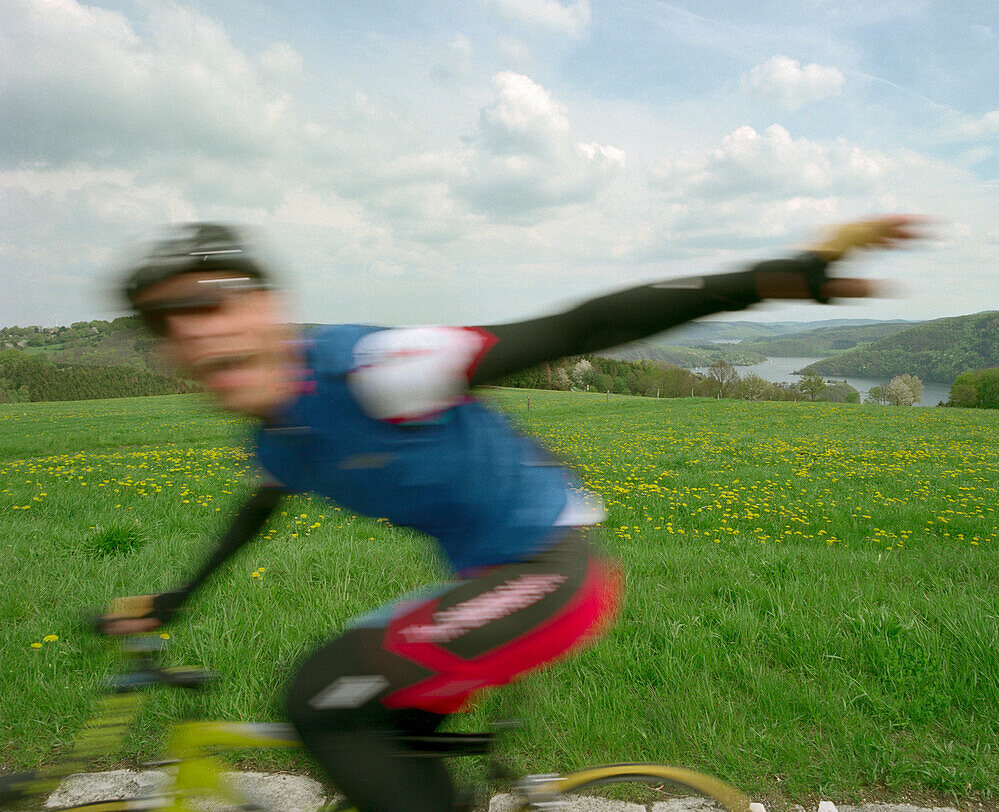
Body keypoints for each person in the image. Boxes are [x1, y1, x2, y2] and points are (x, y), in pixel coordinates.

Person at [102, 215, 923, 812]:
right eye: (163, 322)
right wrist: (175, 599)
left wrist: (774, 278)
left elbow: (582, 324)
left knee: (324, 699)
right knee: (373, 728)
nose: (192, 334)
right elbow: (255, 515)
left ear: (267, 307)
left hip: (551, 573)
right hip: (485, 580)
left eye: (208, 301)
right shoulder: (279, 437)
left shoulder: (376, 370)